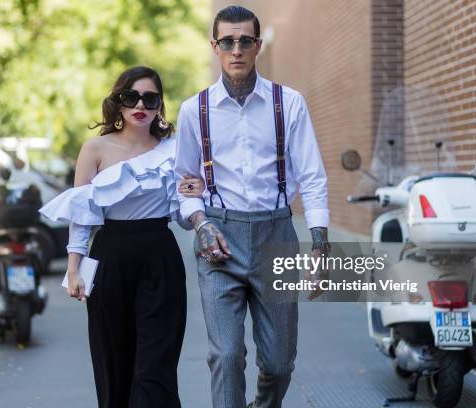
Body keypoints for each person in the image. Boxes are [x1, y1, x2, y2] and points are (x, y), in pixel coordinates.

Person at [174, 6, 330, 408]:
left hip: (276, 236)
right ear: (215, 47)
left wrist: (319, 246)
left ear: (258, 45)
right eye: (228, 41)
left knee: (279, 363)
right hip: (218, 239)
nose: (237, 49)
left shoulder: (288, 104)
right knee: (225, 355)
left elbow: (312, 177)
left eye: (245, 41)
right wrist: (200, 222)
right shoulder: (196, 110)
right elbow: (184, 184)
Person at [39, 66, 204, 408]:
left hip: (160, 258)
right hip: (110, 258)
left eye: (150, 98)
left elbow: (184, 220)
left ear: (160, 105)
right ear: (118, 102)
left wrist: (194, 197)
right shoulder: (95, 149)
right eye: (131, 97)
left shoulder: (174, 150)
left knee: (156, 366)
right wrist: (74, 269)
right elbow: (82, 215)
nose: (139, 105)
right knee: (114, 362)